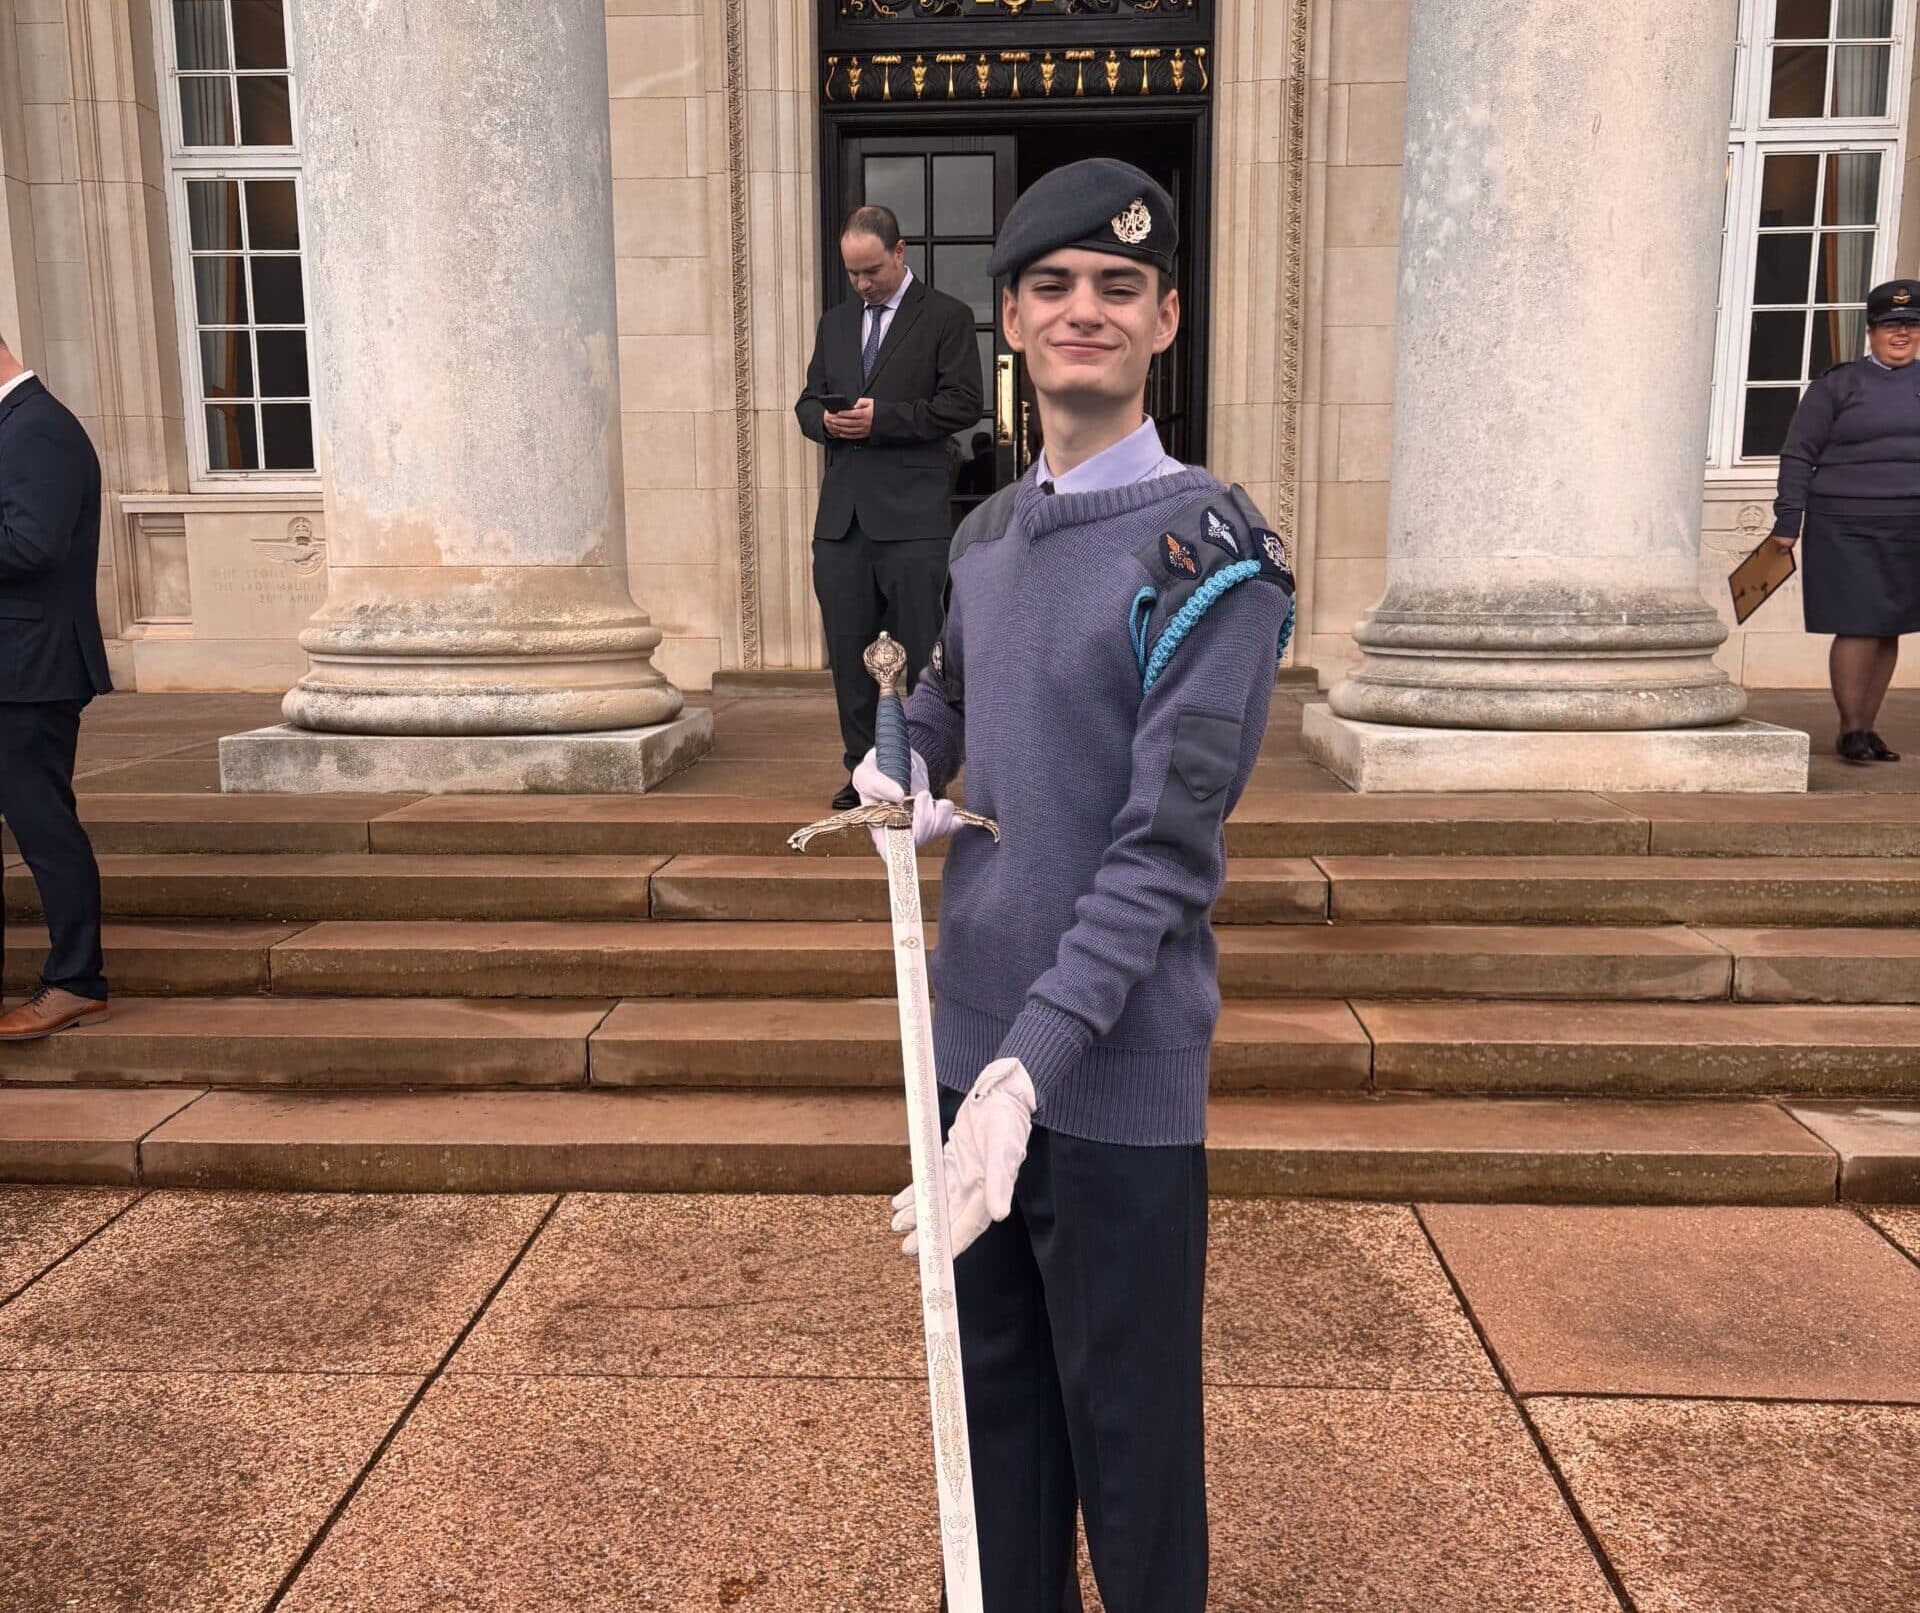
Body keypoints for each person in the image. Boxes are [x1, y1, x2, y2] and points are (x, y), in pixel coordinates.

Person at [854, 159, 1293, 1612]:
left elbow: (1164, 848)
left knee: (1136, 1460)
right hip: (969, 1046)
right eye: (1053, 286)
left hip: (1101, 1079)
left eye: (1119, 287)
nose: (1084, 310)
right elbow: (954, 703)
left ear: (1166, 320)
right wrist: (900, 770)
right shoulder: (987, 538)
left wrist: (1030, 1072)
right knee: (1000, 1442)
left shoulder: (1213, 556)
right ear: (1015, 324)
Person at [796, 205, 983, 810]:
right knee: (850, 656)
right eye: (852, 274)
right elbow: (804, 402)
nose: (862, 284)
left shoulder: (947, 318)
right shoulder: (835, 323)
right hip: (842, 521)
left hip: (913, 521)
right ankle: (863, 774)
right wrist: (823, 420)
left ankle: (922, 770)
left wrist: (885, 419)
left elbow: (963, 405)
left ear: (901, 253)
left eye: (871, 270)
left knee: (923, 653)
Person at [0, 334, 112, 1040]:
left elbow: (32, 544)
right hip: (16, 665)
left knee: (44, 827)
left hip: (30, 670)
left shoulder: (38, 428)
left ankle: (76, 979)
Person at [1771, 277, 1920, 763]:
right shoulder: (1838, 384)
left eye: (1912, 326)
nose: (1902, 334)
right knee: (1857, 624)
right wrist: (1788, 521)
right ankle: (1851, 729)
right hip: (1844, 523)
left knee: (1889, 626)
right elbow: (1798, 454)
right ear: (1872, 331)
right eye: (1891, 325)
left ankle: (1869, 726)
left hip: (1909, 523)